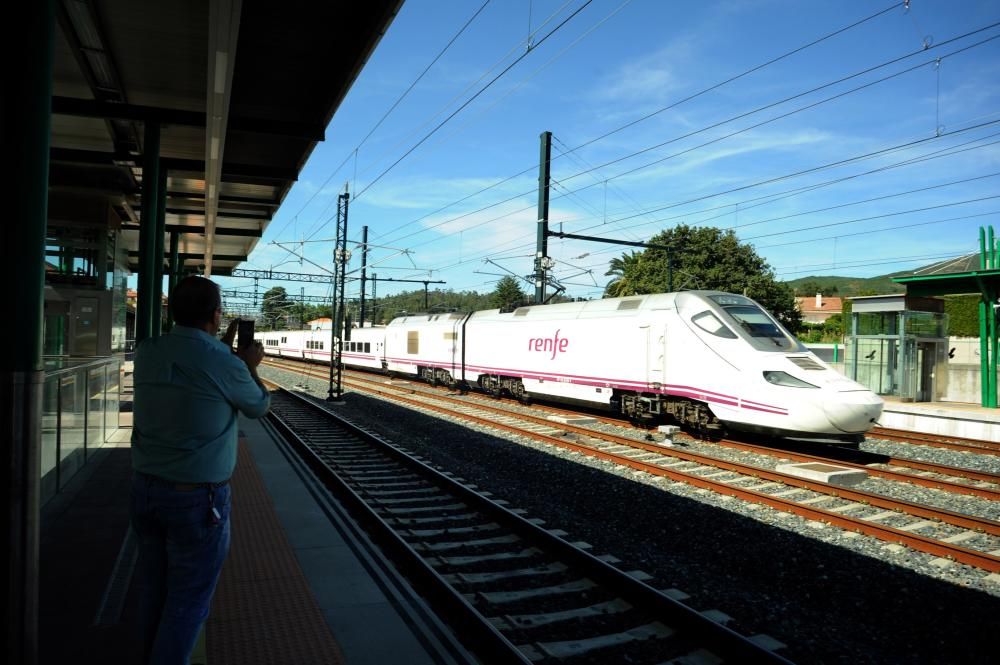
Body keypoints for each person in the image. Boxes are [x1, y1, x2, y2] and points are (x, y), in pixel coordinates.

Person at [129, 275, 270, 664]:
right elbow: (258, 407)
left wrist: (223, 352)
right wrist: (249, 366)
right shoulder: (226, 363)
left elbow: (190, 372)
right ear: (216, 315)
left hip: (145, 489)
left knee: (154, 590)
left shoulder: (148, 349)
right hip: (197, 498)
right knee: (188, 600)